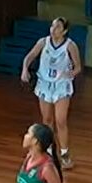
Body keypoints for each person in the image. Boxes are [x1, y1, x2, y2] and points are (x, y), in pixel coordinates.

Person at [20, 18, 82, 169]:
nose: (54, 29)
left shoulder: (70, 46)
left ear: (65, 31)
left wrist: (70, 74)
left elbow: (78, 67)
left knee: (61, 121)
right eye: (53, 26)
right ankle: (47, 152)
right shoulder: (43, 42)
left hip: (61, 85)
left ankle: (65, 154)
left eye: (58, 27)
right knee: (47, 120)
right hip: (45, 84)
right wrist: (25, 69)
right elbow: (30, 56)